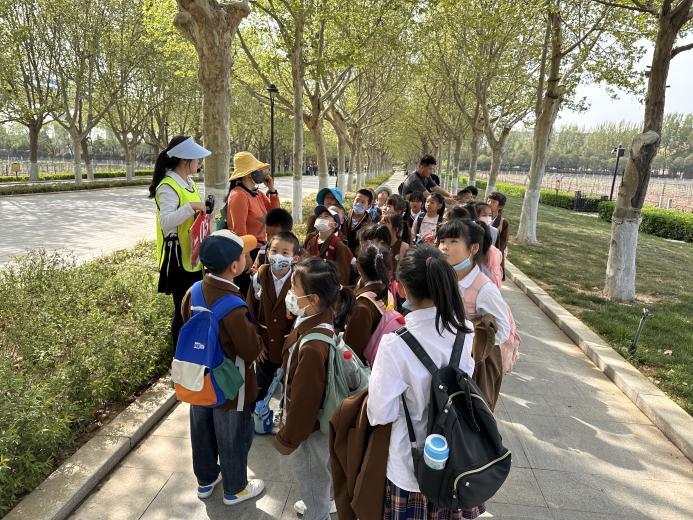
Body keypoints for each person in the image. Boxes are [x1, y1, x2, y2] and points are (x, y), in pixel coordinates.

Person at [367, 245, 480, 520]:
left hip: (411, 466)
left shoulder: (395, 344)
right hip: (456, 459)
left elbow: (379, 413)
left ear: (402, 289)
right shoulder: (465, 331)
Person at [181, 230, 265, 506]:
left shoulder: (192, 292)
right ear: (234, 267)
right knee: (233, 436)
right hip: (231, 385)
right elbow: (250, 350)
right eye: (245, 254)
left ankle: (206, 480)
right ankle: (235, 488)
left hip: (198, 378)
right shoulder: (233, 305)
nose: (248, 256)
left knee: (202, 428)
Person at [274, 257, 354, 519]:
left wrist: (288, 438)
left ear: (314, 299)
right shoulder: (322, 321)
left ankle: (315, 511)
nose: (291, 295)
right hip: (320, 427)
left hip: (308, 434)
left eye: (295, 291)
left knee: (313, 483)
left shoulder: (311, 346)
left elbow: (304, 403)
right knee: (319, 477)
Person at [436, 218, 510, 410]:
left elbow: (503, 330)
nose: (444, 247)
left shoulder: (484, 289)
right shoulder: (445, 276)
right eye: (442, 241)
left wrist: (470, 342)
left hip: (471, 368)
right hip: (444, 360)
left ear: (474, 248)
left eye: (453, 242)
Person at [150, 135, 210, 349]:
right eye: (197, 159)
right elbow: (166, 222)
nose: (198, 163)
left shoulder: (189, 182)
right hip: (177, 258)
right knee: (182, 309)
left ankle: (190, 352)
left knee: (193, 308)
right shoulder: (167, 186)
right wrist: (192, 208)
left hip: (192, 254)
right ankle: (179, 356)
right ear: (186, 160)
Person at [247, 231, 302, 406]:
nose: (278, 256)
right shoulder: (259, 277)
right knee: (261, 388)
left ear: (295, 258)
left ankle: (284, 417)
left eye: (285, 253)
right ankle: (259, 417)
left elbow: (304, 314)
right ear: (267, 252)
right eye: (274, 251)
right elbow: (249, 311)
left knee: (289, 388)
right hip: (264, 348)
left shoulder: (300, 280)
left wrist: (295, 345)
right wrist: (256, 341)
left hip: (289, 349)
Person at [226, 151, 281, 295]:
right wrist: (246, 255)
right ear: (248, 174)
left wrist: (272, 189)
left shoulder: (257, 194)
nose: (262, 173)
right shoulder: (238, 195)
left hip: (262, 249)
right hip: (249, 252)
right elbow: (239, 230)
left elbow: (275, 216)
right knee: (248, 293)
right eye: (258, 170)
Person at [343, 241, 393, 362]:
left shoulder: (362, 306)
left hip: (363, 371)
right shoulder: (388, 293)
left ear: (359, 268)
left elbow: (351, 352)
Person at [304, 205, 353, 286]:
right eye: (319, 216)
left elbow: (343, 275)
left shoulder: (339, 246)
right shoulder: (311, 241)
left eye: (326, 216)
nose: (321, 218)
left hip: (328, 288)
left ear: (335, 225)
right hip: (310, 284)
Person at [251, 208, 293, 272]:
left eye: (275, 235)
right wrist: (256, 274)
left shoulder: (299, 253)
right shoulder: (263, 252)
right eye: (267, 234)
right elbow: (255, 270)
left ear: (289, 234)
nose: (269, 239)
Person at [342, 189, 377, 256]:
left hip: (356, 255)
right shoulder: (344, 215)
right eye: (357, 200)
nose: (358, 204)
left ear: (369, 206)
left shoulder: (369, 224)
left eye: (363, 202)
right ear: (353, 200)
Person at [487, 192, 509, 279]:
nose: (489, 203)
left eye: (493, 202)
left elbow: (503, 242)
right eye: (488, 200)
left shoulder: (503, 222)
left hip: (493, 254)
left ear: (500, 206)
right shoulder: (480, 216)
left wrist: (498, 255)